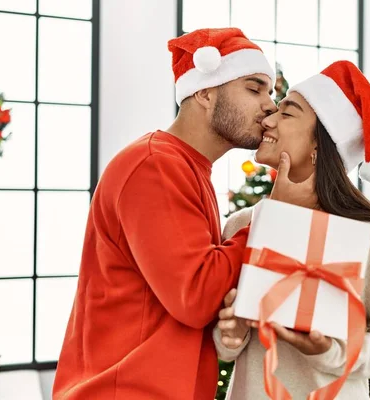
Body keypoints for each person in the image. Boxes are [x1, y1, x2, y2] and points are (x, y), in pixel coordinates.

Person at [53, 27, 314, 400]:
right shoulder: (155, 165)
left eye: (270, 93)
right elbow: (196, 296)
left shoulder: (189, 169)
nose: (270, 106)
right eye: (254, 88)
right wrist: (272, 216)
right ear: (205, 92)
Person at [214, 60, 370, 399]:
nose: (268, 119)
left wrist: (330, 352)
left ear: (320, 143)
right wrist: (230, 336)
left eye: (287, 113)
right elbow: (225, 347)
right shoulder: (241, 226)